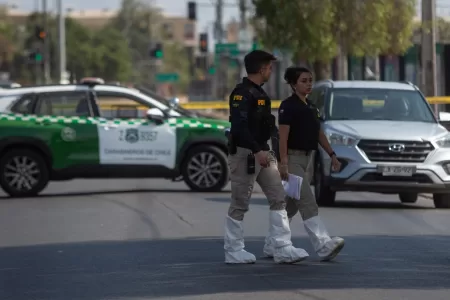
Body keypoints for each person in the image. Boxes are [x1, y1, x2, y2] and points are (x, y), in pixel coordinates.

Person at [224, 50, 309, 264]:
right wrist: (256, 150)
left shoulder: (260, 94)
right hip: (246, 154)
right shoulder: (241, 94)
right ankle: (233, 250)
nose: (271, 71)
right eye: (269, 67)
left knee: (278, 196)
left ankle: (281, 247)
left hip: (264, 153)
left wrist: (280, 158)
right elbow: (239, 126)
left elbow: (270, 126)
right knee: (240, 202)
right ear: (261, 69)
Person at [262, 66, 345, 262]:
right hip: (291, 159)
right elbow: (283, 137)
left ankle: (271, 244)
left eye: (310, 80)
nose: (308, 84)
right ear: (292, 84)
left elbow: (319, 134)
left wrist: (332, 154)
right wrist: (283, 162)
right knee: (308, 201)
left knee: (291, 206)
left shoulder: (311, 106)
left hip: (306, 159)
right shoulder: (288, 106)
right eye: (303, 81)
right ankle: (323, 244)